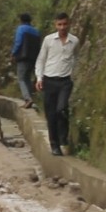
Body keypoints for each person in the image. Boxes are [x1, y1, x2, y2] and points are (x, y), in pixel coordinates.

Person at [35, 12, 80, 156]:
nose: (62, 27)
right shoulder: (48, 40)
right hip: (49, 81)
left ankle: (63, 138)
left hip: (65, 81)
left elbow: (76, 59)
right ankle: (55, 145)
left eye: (65, 24)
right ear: (55, 25)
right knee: (51, 115)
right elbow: (41, 59)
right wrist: (39, 78)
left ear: (69, 24)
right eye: (59, 24)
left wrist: (74, 74)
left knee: (61, 109)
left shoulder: (74, 41)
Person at [11, 13, 41, 109]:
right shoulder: (36, 31)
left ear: (21, 20)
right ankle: (30, 99)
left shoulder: (21, 29)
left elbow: (18, 42)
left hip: (23, 57)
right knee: (27, 78)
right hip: (33, 58)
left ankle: (28, 99)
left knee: (21, 78)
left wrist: (13, 53)